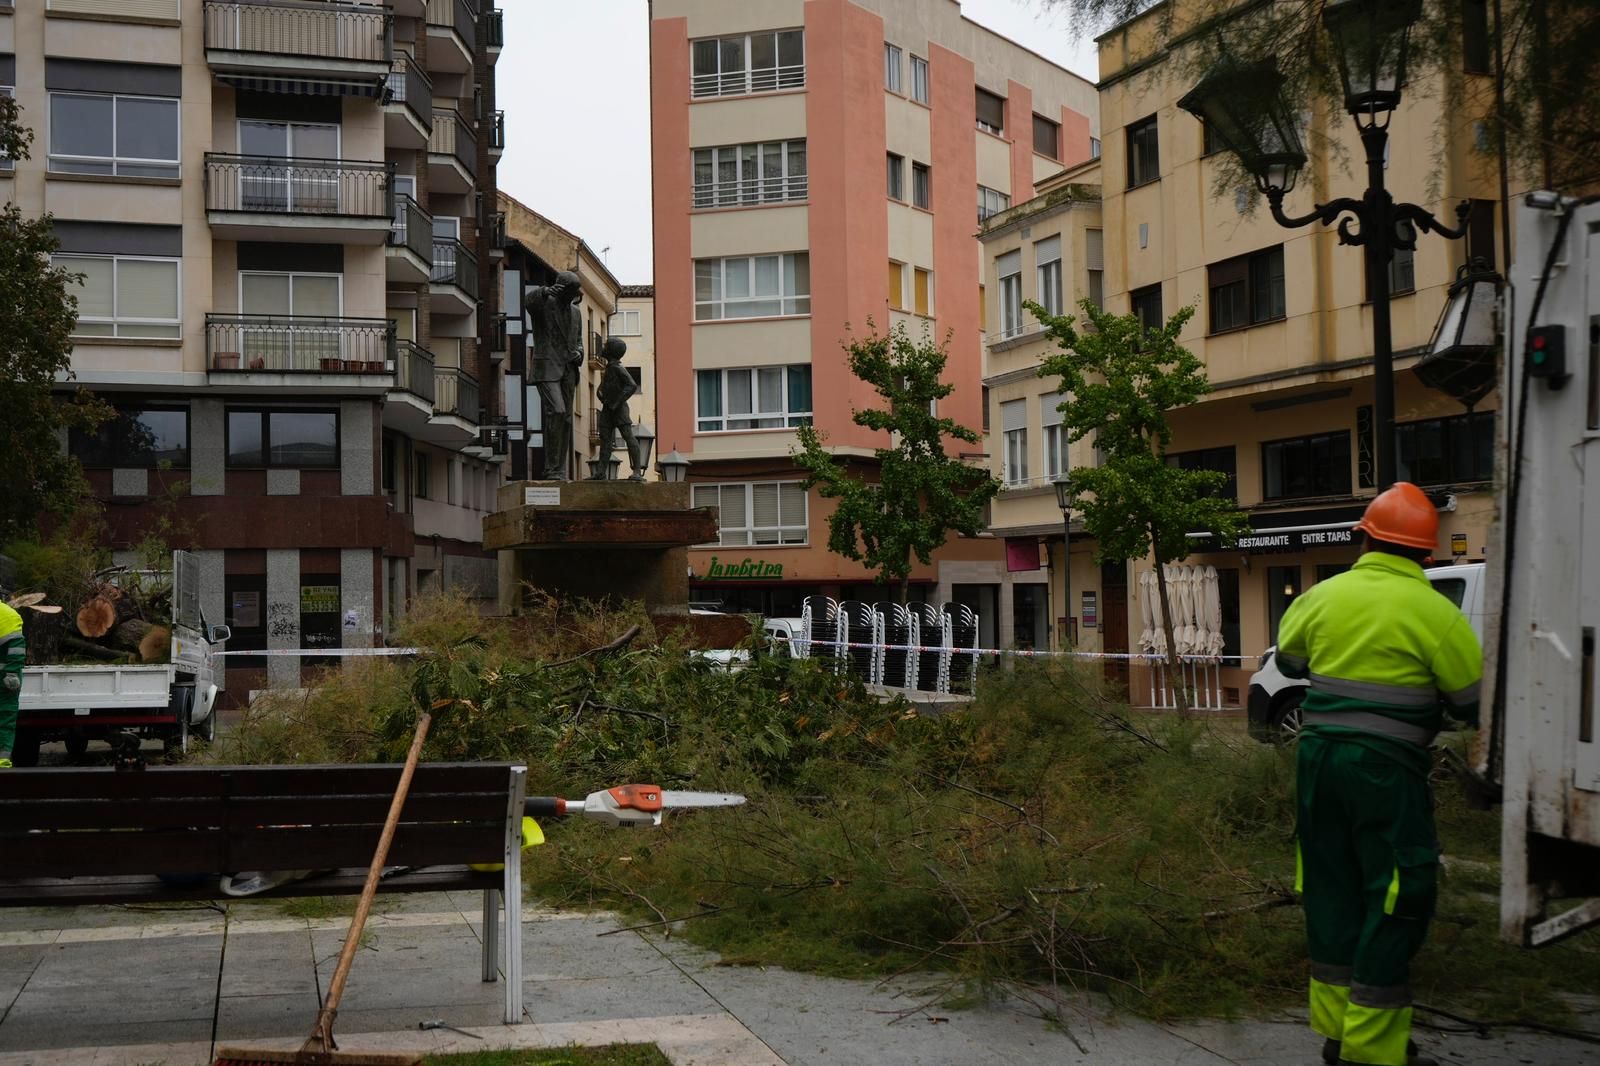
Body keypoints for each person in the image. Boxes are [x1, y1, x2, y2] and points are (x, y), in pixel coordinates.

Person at [1275, 482, 1482, 1066]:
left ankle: (1339, 1035)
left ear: (1363, 538)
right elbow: (1471, 704)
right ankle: (1373, 1049)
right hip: (1387, 773)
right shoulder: (1436, 614)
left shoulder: (1320, 597)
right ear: (1426, 554)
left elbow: (1290, 662)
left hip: (1317, 764)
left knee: (1330, 888)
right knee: (1398, 894)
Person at [524, 270, 584, 480]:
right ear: (563, 289)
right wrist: (544, 291)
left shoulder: (576, 312)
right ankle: (551, 469)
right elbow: (528, 303)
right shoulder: (544, 304)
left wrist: (579, 353)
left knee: (567, 419)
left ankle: (558, 469)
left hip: (568, 369)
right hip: (547, 368)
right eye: (574, 290)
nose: (577, 294)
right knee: (557, 411)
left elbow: (578, 341)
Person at [592, 336, 643, 480]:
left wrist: (617, 402)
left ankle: (637, 471)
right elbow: (606, 386)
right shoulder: (609, 368)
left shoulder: (617, 368)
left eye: (606, 346)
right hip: (608, 408)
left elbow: (632, 385)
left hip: (618, 409)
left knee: (628, 437)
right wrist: (600, 392)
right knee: (605, 440)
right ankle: (601, 472)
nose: (603, 348)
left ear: (611, 351)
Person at [0, 599, 24, 769]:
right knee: (5, 720)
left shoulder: (7, 615)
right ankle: (2, 762)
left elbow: (16, 647)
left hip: (5, 679)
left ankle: (2, 761)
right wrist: (12, 673)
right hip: (6, 677)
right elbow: (17, 648)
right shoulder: (9, 614)